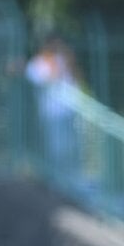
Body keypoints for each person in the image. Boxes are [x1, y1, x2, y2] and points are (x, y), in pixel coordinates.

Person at [25, 34, 84, 195]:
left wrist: (67, 61)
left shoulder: (62, 60)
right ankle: (57, 182)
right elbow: (47, 80)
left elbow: (75, 77)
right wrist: (56, 66)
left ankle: (72, 181)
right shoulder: (36, 65)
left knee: (72, 148)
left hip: (69, 111)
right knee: (57, 149)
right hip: (52, 114)